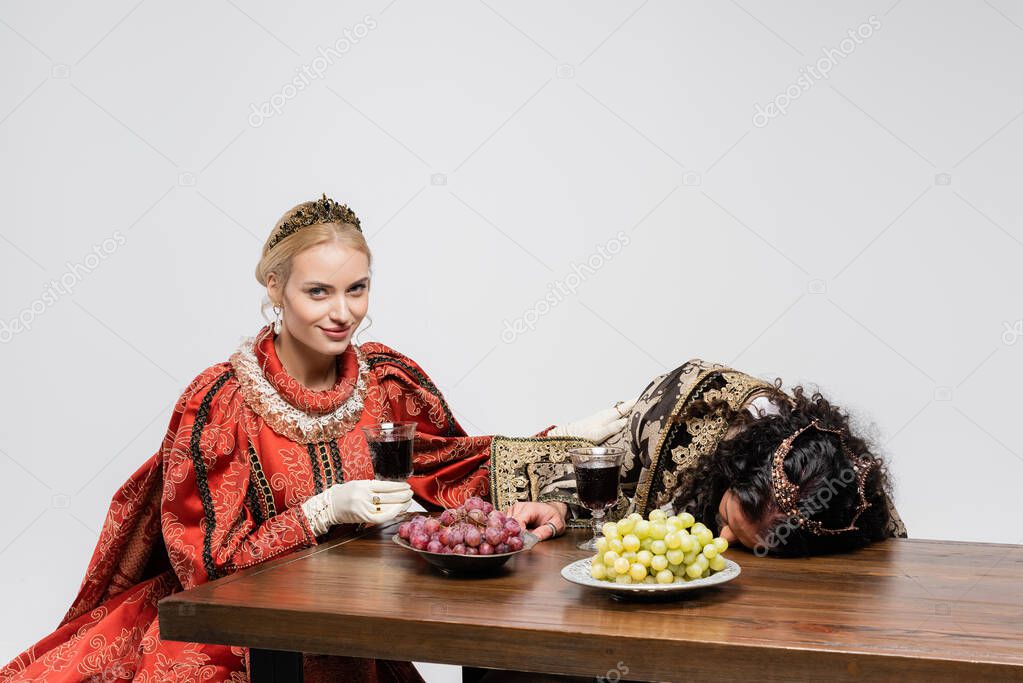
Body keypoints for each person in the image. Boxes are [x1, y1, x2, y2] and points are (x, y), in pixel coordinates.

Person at [0, 195, 629, 682]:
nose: (342, 312)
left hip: (350, 625)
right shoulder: (220, 403)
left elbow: (449, 469)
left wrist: (564, 441)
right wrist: (321, 512)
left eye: (357, 288)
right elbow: (207, 568)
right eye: (318, 291)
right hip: (235, 640)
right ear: (274, 289)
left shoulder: (386, 379)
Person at [506, 359, 907, 557]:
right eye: (727, 520)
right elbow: (611, 475)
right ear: (732, 471)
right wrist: (559, 503)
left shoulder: (852, 504)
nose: (723, 541)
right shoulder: (686, 407)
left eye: (756, 545)